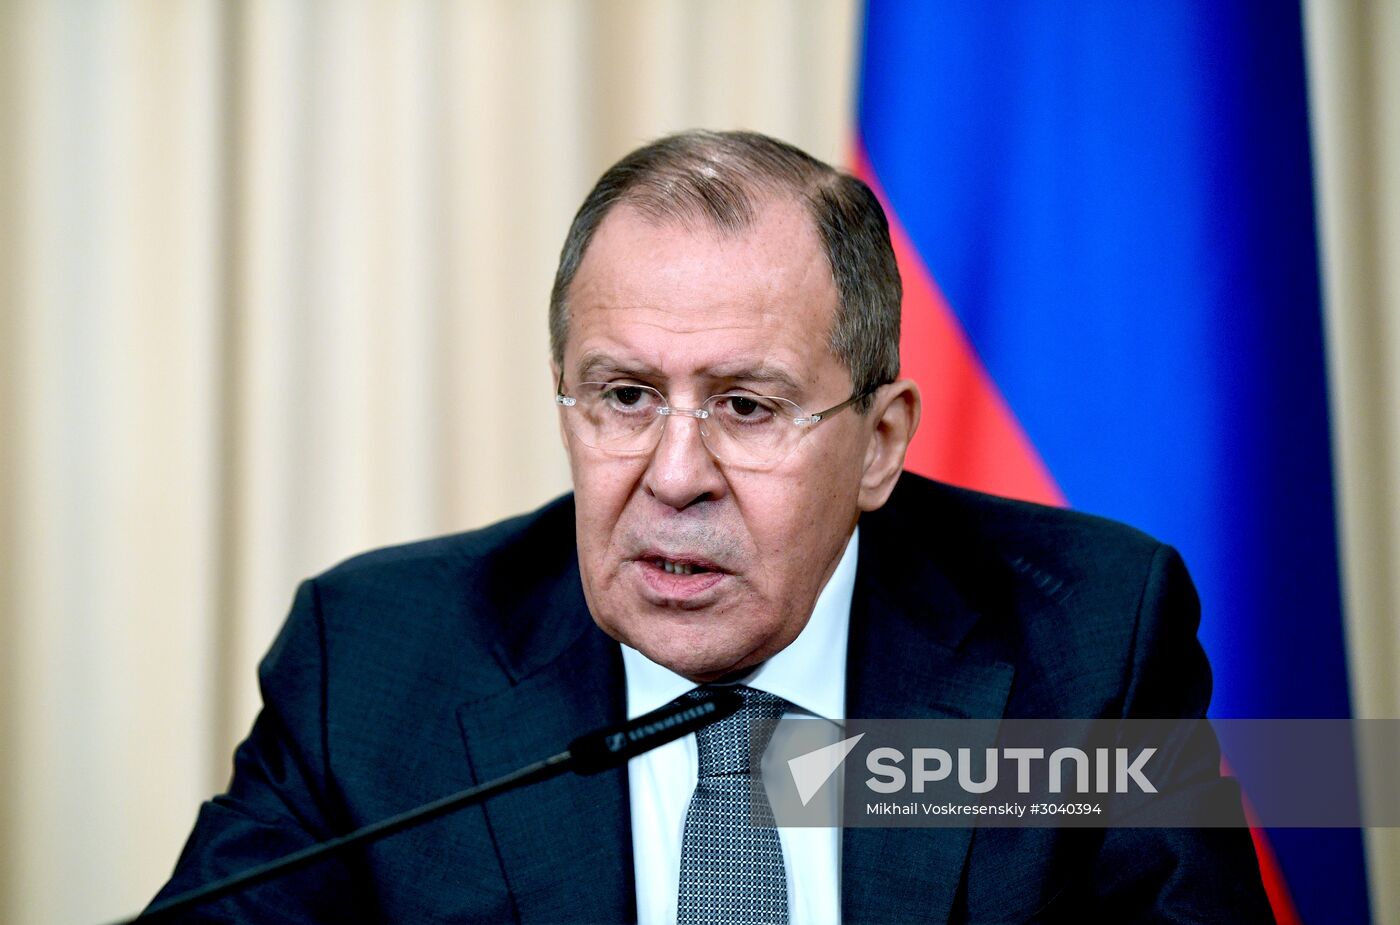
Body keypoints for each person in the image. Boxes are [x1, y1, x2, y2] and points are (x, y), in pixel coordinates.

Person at [150, 130, 1273, 923]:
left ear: (878, 440)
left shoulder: (1080, 643)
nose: (673, 476)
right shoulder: (378, 657)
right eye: (624, 396)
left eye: (746, 405)